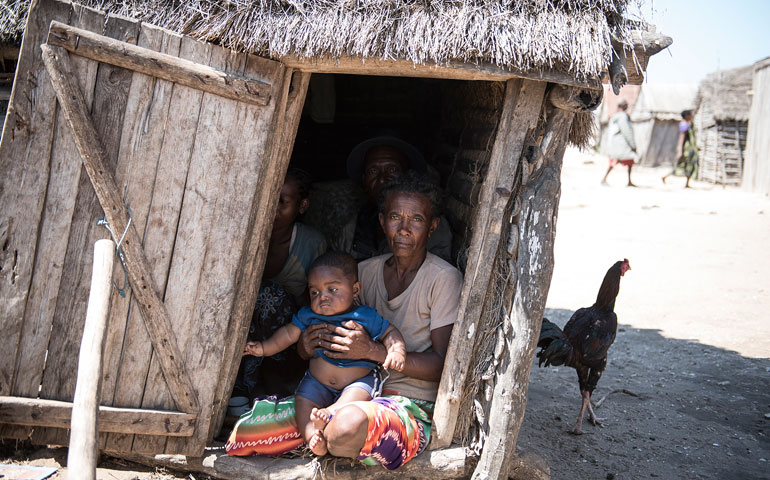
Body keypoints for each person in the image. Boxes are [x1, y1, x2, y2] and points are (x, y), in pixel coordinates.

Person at [297, 171, 463, 469]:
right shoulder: (364, 273)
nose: (403, 228)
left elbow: (442, 365)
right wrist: (305, 346)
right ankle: (328, 433)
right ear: (381, 221)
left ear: (432, 226)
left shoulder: (443, 279)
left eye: (416, 219)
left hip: (406, 402)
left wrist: (374, 352)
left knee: (345, 427)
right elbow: (326, 327)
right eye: (395, 216)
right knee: (259, 423)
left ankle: (335, 434)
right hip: (346, 390)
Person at [242, 251, 407, 456]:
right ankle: (313, 437)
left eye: (332, 289)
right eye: (315, 292)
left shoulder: (364, 316)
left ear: (355, 290)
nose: (323, 297)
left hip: (357, 381)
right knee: (302, 401)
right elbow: (287, 334)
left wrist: (396, 350)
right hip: (317, 382)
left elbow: (389, 331)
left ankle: (331, 412)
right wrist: (264, 348)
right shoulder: (309, 315)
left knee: (358, 393)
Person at [230, 169, 327, 406]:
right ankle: (236, 385)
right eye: (269, 197)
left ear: (302, 206)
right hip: (239, 329)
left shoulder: (311, 244)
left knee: (272, 297)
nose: (272, 207)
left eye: (282, 201)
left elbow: (316, 299)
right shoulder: (237, 234)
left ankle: (262, 387)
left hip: (285, 338)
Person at [334, 133, 454, 263]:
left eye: (392, 169)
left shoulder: (432, 226)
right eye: (373, 171)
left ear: (407, 174)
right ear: (364, 180)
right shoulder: (352, 229)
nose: (382, 180)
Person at [602, 99, 638, 187]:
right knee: (621, 161)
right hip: (622, 144)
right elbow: (627, 131)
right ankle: (604, 179)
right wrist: (633, 145)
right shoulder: (622, 117)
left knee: (628, 162)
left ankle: (628, 181)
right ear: (624, 106)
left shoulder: (614, 117)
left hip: (615, 144)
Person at [662, 109, 699, 188]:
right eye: (690, 115)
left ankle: (687, 183)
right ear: (686, 116)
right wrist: (680, 150)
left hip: (691, 148)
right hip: (686, 149)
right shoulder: (683, 124)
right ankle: (666, 176)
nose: (692, 116)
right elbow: (682, 137)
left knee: (690, 165)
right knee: (682, 165)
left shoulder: (689, 124)